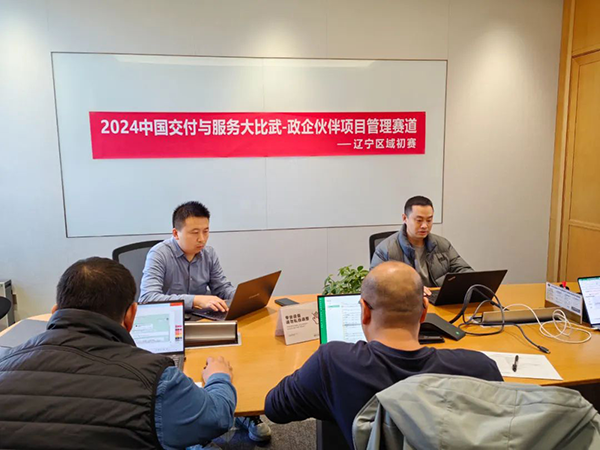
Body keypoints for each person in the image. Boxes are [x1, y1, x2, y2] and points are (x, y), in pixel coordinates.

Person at [0, 257, 236, 449]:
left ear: (54, 312)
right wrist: (219, 377)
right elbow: (216, 418)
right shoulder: (156, 380)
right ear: (131, 316)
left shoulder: (4, 364)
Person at [264, 262, 503, 447]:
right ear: (424, 312)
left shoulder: (333, 363)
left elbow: (274, 408)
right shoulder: (479, 369)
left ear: (364, 312)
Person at [139, 201, 271, 442]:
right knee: (189, 378)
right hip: (172, 331)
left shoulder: (208, 254)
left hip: (204, 325)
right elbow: (147, 298)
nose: (202, 239)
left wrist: (243, 297)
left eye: (206, 231)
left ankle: (245, 412)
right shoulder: (159, 254)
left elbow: (221, 287)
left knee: (239, 355)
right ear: (176, 233)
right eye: (194, 232)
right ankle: (196, 431)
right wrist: (195, 300)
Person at [370, 195, 473, 287]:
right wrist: (412, 289)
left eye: (429, 220)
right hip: (405, 299)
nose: (424, 226)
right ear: (405, 218)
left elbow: (465, 272)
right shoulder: (385, 249)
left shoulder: (442, 245)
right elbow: (374, 284)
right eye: (419, 220)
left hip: (437, 298)